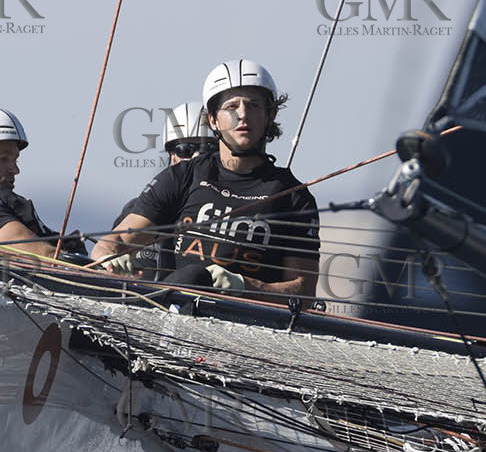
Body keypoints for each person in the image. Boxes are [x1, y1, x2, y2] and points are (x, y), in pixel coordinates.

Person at [91, 61, 318, 305]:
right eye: (231, 107)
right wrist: (109, 259)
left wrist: (244, 286)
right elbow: (112, 243)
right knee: (192, 276)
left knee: (196, 277)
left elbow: (304, 293)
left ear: (270, 115)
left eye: (253, 105)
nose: (242, 114)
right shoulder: (182, 177)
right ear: (213, 120)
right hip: (171, 314)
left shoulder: (294, 197)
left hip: (247, 320)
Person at [0, 105, 85, 259]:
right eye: (3, 159)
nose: (15, 170)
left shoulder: (4, 202)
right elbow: (38, 254)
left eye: (15, 160)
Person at [105, 102, 212, 279]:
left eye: (208, 150)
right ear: (172, 155)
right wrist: (108, 261)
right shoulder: (136, 210)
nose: (196, 157)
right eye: (185, 149)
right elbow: (108, 251)